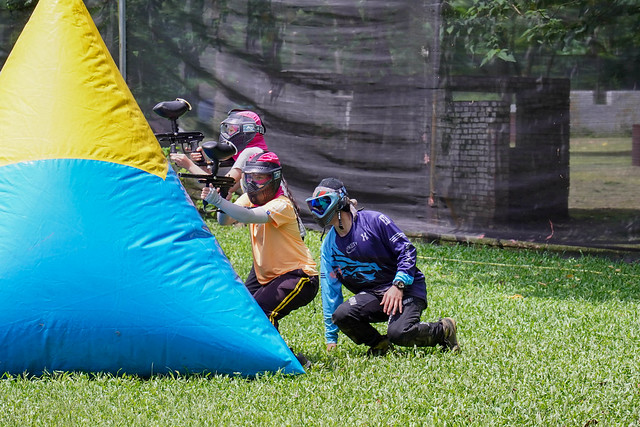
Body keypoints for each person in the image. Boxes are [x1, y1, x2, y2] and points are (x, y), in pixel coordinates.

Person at [305, 178, 460, 355]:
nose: (319, 210)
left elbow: (407, 250)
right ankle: (380, 344)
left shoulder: (374, 221)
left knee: (399, 333)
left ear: (340, 201)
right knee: (342, 315)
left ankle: (444, 330)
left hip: (407, 289)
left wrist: (398, 285)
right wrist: (331, 339)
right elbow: (330, 292)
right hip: (375, 296)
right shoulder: (329, 247)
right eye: (315, 205)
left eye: (324, 202)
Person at [201, 152, 318, 335]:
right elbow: (225, 221)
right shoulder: (250, 198)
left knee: (262, 313)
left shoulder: (282, 205)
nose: (254, 183)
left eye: (260, 177)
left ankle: (289, 360)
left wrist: (218, 201)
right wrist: (222, 196)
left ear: (274, 178)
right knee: (243, 311)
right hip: (268, 276)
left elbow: (249, 215)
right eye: (251, 177)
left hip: (300, 276)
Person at [172, 109, 268, 197]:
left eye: (232, 131)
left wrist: (189, 165)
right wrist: (203, 164)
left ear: (247, 132)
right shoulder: (258, 152)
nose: (228, 135)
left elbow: (221, 186)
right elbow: (219, 189)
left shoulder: (251, 152)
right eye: (228, 130)